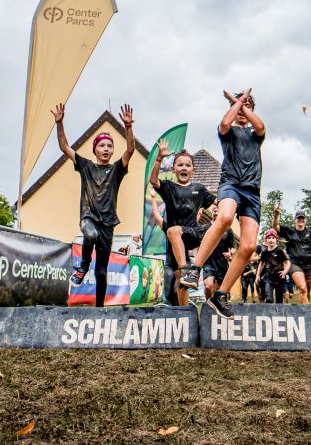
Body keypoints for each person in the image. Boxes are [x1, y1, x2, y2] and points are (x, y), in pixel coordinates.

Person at [183, 89, 266, 320]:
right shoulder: (228, 132)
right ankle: (194, 269)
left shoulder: (256, 134)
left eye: (247, 106)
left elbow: (260, 126)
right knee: (226, 217)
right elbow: (224, 123)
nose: (242, 110)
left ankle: (221, 295)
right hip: (231, 184)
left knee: (248, 246)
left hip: (252, 192)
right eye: (239, 107)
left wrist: (239, 103)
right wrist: (236, 102)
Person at [53, 102, 137, 308]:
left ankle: (99, 309)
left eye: (109, 146)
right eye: (102, 145)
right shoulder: (85, 166)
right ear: (95, 149)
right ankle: (82, 266)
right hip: (88, 217)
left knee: (101, 271)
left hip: (108, 223)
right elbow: (64, 147)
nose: (106, 148)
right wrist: (59, 123)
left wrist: (128, 127)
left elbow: (130, 150)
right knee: (90, 235)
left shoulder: (117, 169)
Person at [148, 141, 216, 306]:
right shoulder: (169, 187)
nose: (184, 168)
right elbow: (153, 180)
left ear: (193, 170)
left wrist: (225, 208)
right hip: (176, 245)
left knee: (173, 231)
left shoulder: (199, 189)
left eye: (187, 165)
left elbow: (218, 202)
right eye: (180, 165)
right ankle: (185, 312)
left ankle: (187, 272)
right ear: (173, 169)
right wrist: (159, 158)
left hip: (193, 234)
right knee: (181, 281)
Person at [255, 229, 291, 303]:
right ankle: (268, 306)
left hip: (279, 277)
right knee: (269, 299)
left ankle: (278, 310)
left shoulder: (280, 251)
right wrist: (258, 275)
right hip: (269, 278)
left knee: (279, 302)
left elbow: (288, 262)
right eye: (269, 238)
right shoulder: (264, 252)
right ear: (266, 240)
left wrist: (285, 272)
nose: (271, 240)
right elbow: (261, 263)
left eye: (273, 238)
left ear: (276, 240)